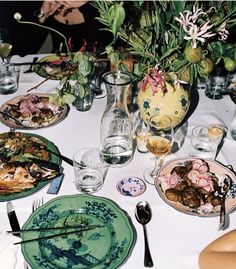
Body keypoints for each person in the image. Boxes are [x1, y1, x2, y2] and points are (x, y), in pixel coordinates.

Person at [38, 1, 112, 54]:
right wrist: (43, 11)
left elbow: (104, 45)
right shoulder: (52, 4)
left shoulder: (98, 4)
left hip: (94, 67)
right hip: (56, 68)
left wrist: (85, 4)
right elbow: (28, 47)